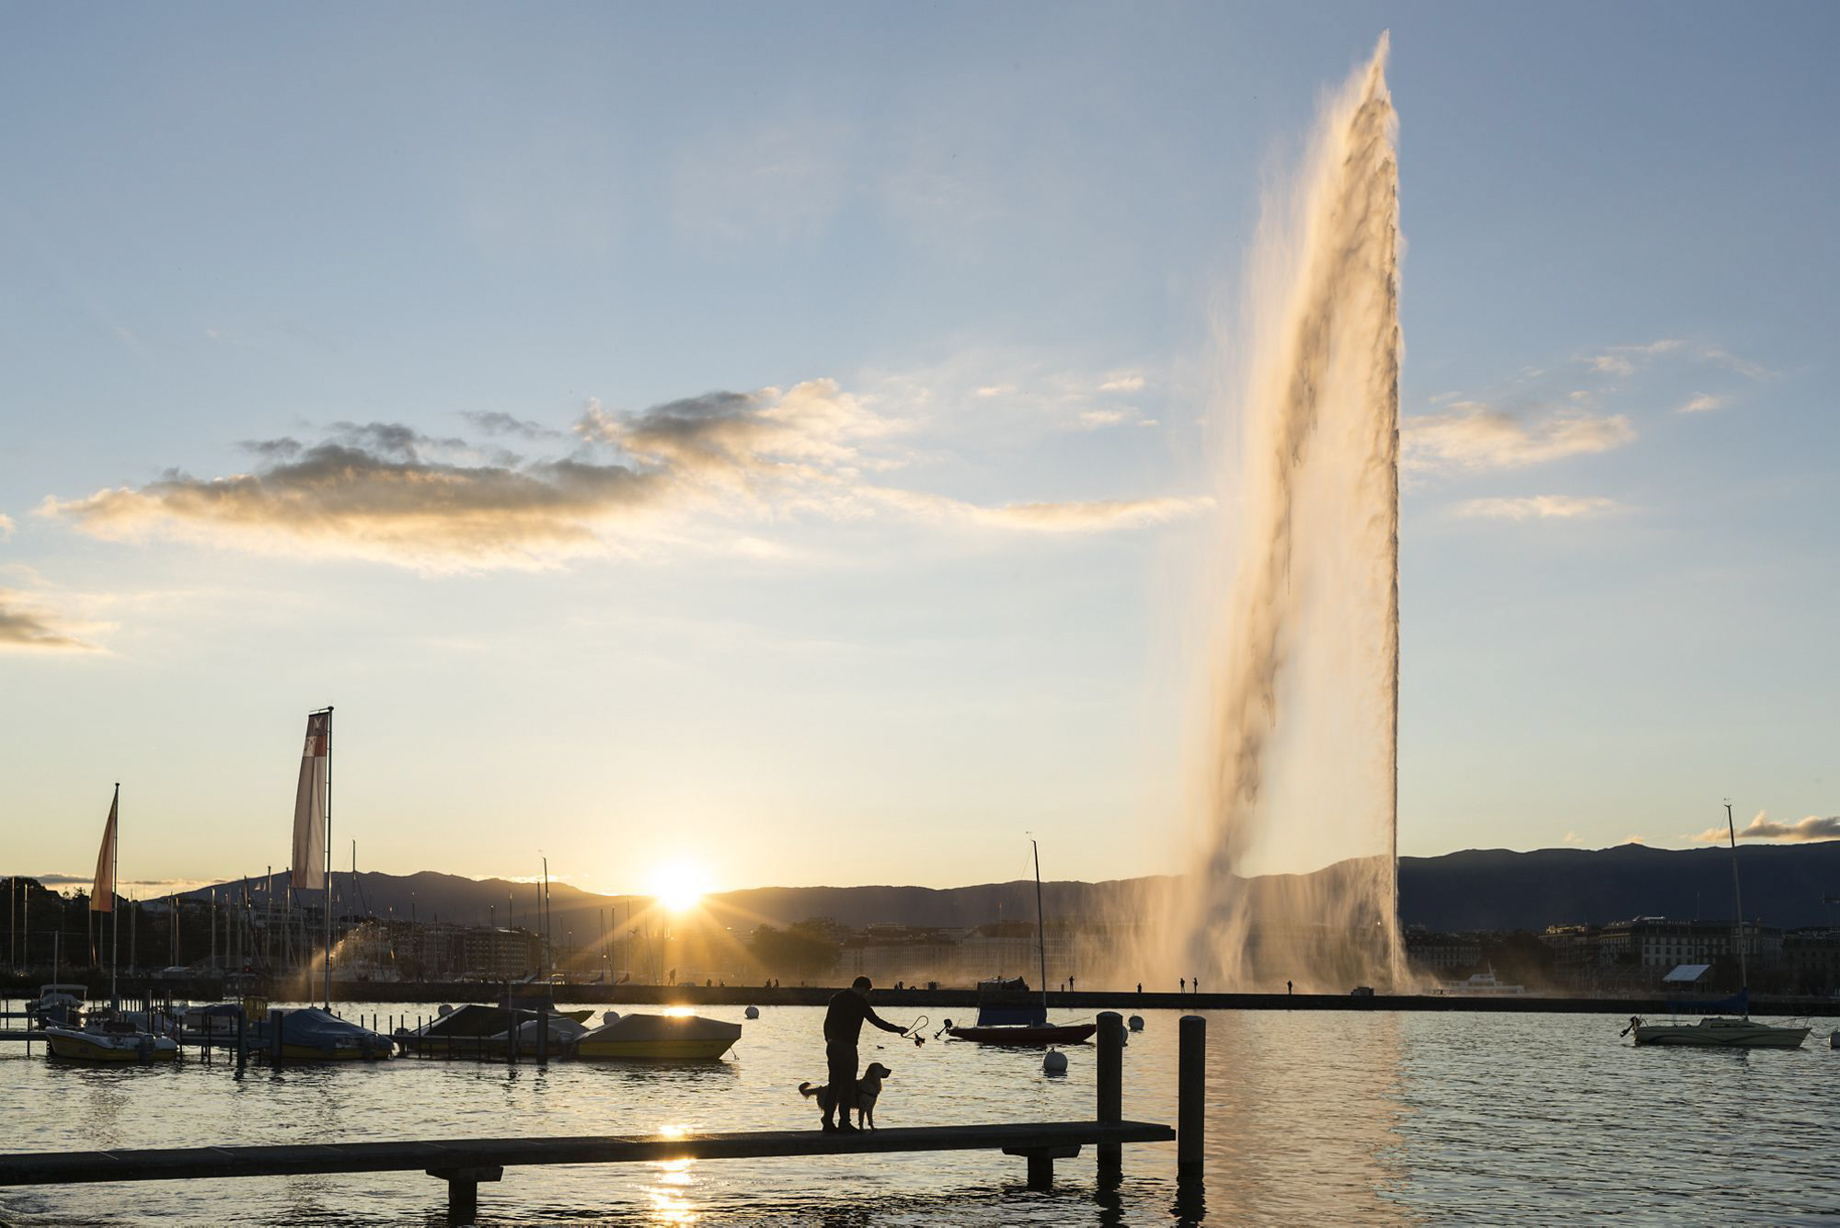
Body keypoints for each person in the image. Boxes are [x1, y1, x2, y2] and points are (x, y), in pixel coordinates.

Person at [820, 976, 913, 1133]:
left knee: (834, 1085)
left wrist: (828, 1040)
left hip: (832, 1046)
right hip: (848, 1048)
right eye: (867, 991)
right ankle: (844, 1123)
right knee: (848, 1086)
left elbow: (826, 1022)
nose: (867, 995)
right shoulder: (859, 1001)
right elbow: (876, 1021)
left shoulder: (836, 998)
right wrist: (897, 1029)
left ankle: (828, 1122)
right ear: (863, 988)